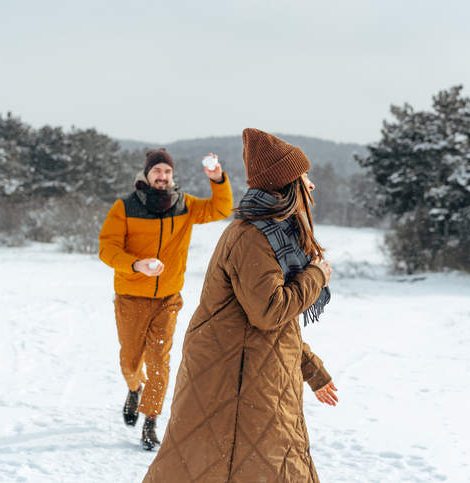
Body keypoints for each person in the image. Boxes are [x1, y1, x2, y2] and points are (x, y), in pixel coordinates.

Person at [143, 128, 338, 482]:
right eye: (303, 178)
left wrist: (311, 369)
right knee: (238, 465)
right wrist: (315, 277)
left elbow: (277, 322)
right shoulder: (253, 236)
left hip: (253, 371)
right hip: (232, 377)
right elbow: (270, 313)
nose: (310, 186)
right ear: (286, 187)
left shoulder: (275, 234)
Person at [99, 148, 233, 450]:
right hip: (131, 296)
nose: (162, 176)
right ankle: (134, 388)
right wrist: (136, 264)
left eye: (167, 171)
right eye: (157, 170)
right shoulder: (125, 207)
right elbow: (107, 248)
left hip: (168, 299)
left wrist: (217, 179)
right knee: (131, 360)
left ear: (173, 176)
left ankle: (150, 421)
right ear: (146, 174)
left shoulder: (185, 206)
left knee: (160, 362)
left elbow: (222, 209)